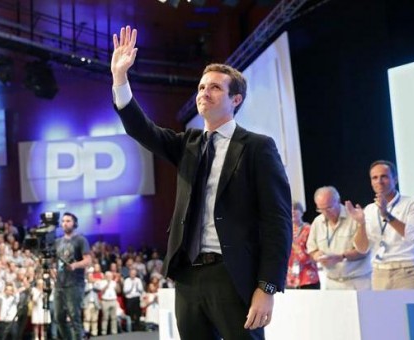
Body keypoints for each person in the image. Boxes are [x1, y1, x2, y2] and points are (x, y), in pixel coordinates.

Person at [111, 26, 292, 340]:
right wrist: (120, 79)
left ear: (236, 99)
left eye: (215, 88)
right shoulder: (188, 143)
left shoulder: (257, 147)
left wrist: (267, 287)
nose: (203, 93)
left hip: (233, 275)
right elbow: (143, 130)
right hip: (189, 277)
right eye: (201, 87)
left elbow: (278, 221)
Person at [345, 160, 414, 290]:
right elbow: (362, 248)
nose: (379, 181)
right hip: (379, 273)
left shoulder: (412, 204)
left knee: (409, 311)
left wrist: (386, 215)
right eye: (374, 178)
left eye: (384, 176)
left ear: (395, 179)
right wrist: (361, 224)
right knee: (382, 311)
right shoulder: (369, 209)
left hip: (408, 272)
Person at [307, 187, 371, 290]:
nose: (326, 212)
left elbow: (364, 251)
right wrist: (316, 255)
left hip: (358, 281)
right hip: (331, 283)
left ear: (338, 201)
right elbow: (312, 249)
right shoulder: (317, 222)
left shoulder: (355, 217)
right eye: (321, 209)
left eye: (329, 208)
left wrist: (341, 257)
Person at [53, 212, 92, 340]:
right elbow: (55, 261)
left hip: (75, 284)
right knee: (59, 317)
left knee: (74, 316)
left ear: (74, 223)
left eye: (68, 221)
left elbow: (88, 260)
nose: (65, 223)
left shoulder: (80, 240)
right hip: (59, 284)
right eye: (63, 221)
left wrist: (75, 265)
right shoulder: (57, 241)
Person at [286, 202, 320, 289]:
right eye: (290, 209)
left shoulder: (309, 228)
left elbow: (315, 249)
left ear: (302, 212)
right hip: (290, 277)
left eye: (296, 209)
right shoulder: (285, 230)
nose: (293, 212)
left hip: (308, 275)